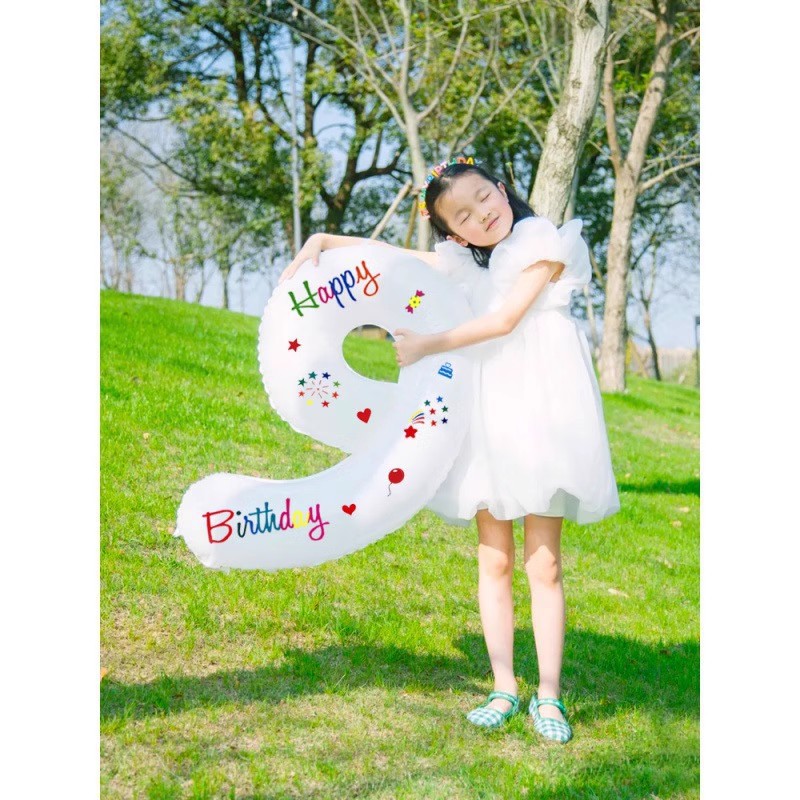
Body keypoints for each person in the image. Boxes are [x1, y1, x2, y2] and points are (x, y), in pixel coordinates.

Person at [278, 156, 620, 743]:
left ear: (502, 189)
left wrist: (429, 344)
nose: (481, 214)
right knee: (494, 558)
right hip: (487, 415)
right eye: (462, 215)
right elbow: (395, 258)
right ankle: (504, 686)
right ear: (454, 234)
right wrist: (327, 241)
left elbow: (507, 320)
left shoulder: (542, 240)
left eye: (484, 197)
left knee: (543, 562)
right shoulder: (461, 263)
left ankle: (549, 694)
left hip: (542, 415)